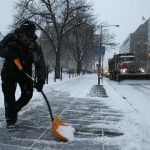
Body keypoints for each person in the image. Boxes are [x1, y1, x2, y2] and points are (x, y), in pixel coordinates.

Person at [0, 20, 47, 128]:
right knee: (9, 96)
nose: (27, 40)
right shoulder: (11, 38)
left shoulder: (34, 46)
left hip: (25, 73)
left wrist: (41, 81)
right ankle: (10, 120)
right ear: (21, 33)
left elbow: (40, 64)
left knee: (27, 94)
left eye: (30, 37)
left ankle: (14, 109)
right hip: (9, 71)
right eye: (25, 36)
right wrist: (8, 52)